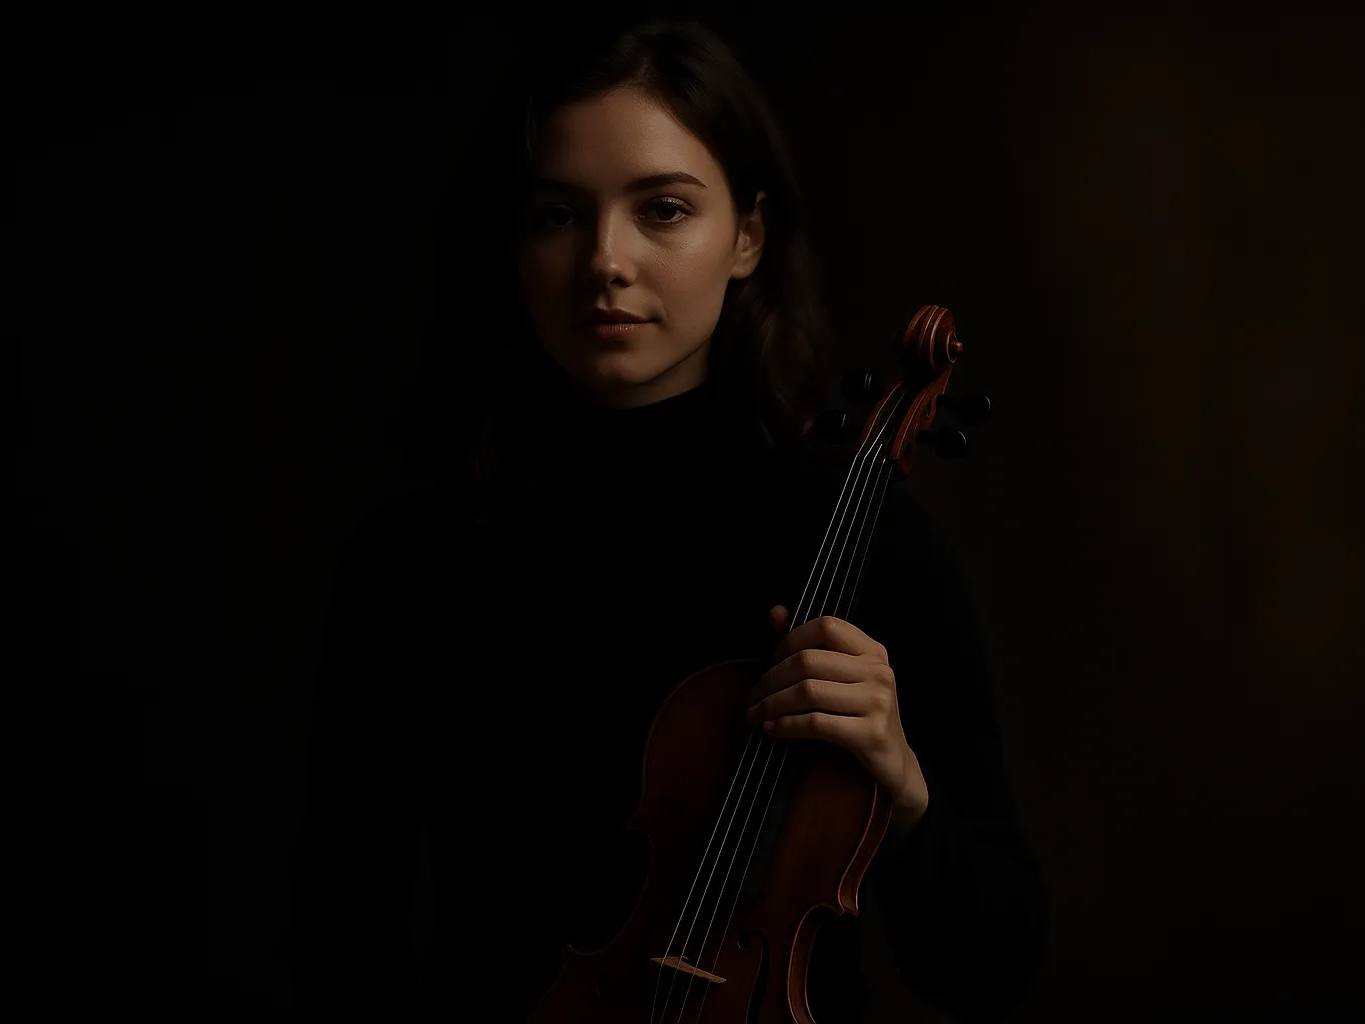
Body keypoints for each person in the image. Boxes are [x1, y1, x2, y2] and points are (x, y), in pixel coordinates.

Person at [285, 16, 1046, 1022]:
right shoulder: (409, 565)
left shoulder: (874, 546)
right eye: (559, 214)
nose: (606, 259)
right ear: (514, 244)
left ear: (748, 237)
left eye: (664, 210)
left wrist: (901, 790)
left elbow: (993, 968)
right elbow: (340, 949)